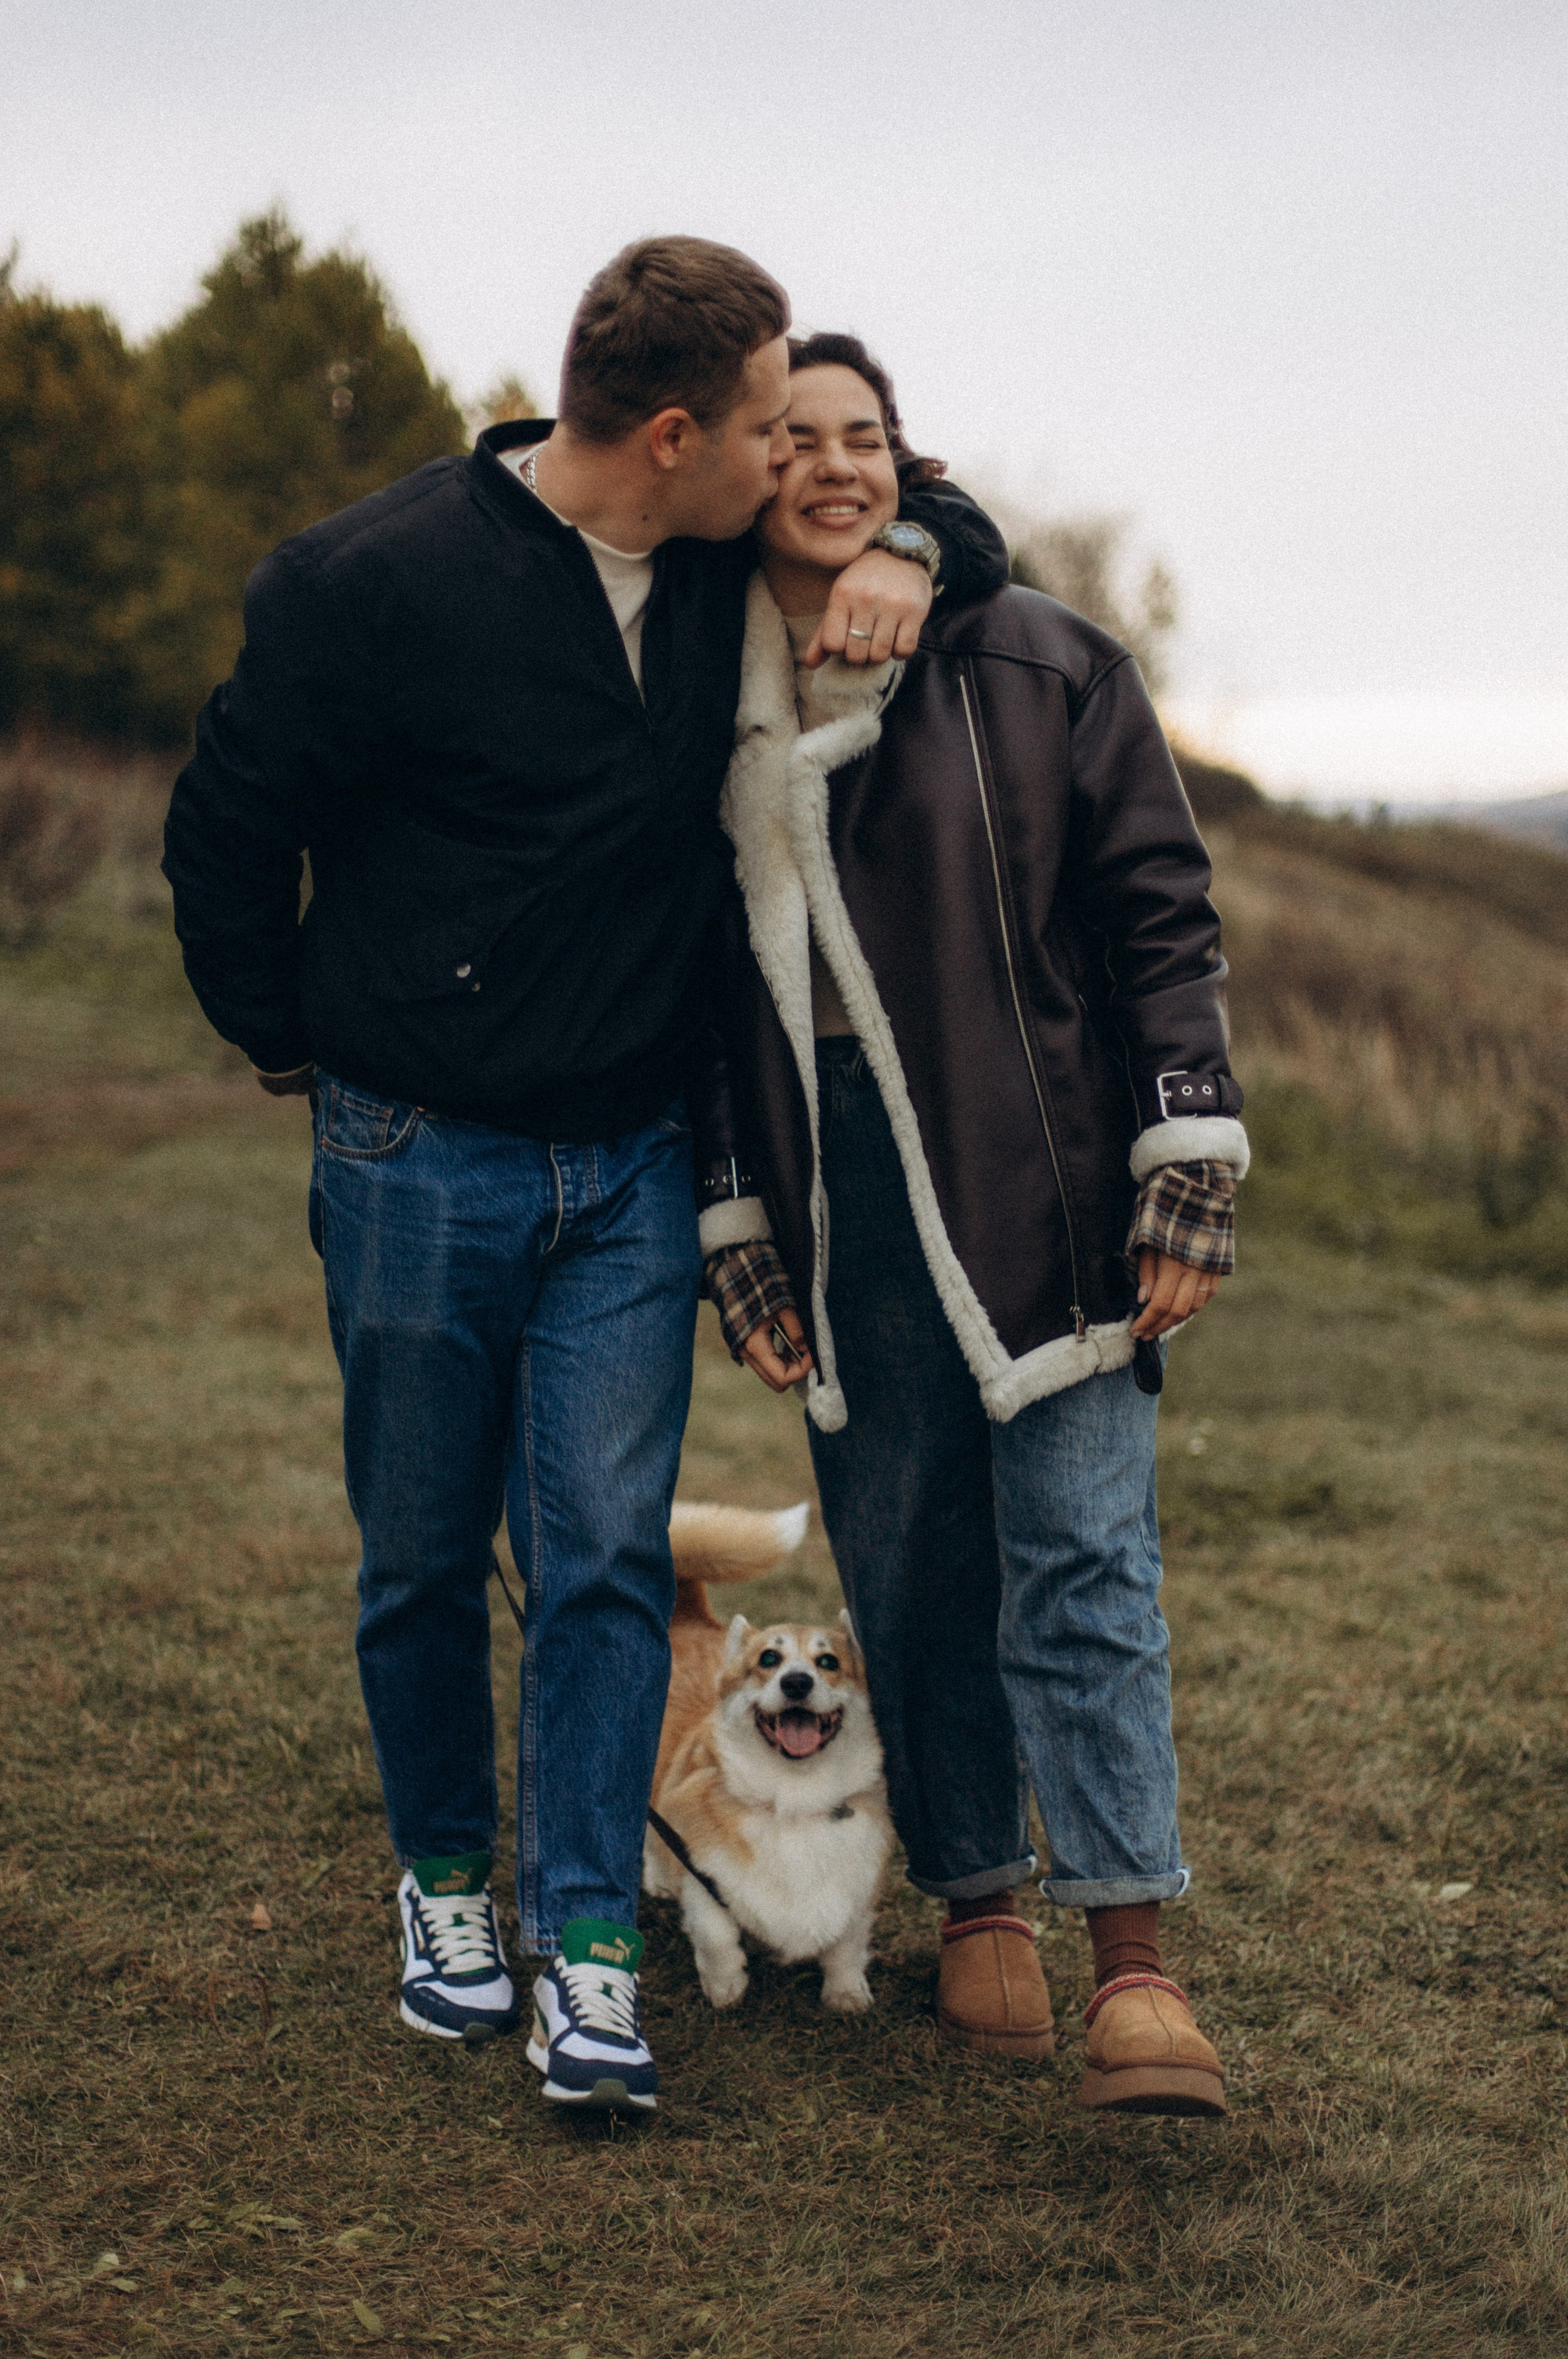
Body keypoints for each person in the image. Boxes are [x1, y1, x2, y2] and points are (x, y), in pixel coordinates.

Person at [163, 244, 1008, 2117]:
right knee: (417, 1551)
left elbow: (935, 506)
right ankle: (448, 1887)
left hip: (628, 1166)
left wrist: (911, 550)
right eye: (772, 420)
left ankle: (591, 1955)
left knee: (607, 1558)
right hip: (413, 1152)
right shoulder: (366, 583)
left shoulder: (718, 562)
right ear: (678, 431)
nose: (800, 452)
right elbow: (227, 825)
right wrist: (291, 1035)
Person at [704, 336, 1246, 2115]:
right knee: (909, 1552)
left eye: (870, 441)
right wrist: (742, 1226)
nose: (837, 468)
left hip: (1043, 1155)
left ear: (906, 471)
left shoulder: (1040, 661)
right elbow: (695, 987)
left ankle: (1136, 1968)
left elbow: (1162, 913)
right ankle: (979, 1897)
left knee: (1083, 1553)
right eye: (799, 440)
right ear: (738, 467)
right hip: (828, 1165)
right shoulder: (688, 694)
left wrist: (1186, 1161)